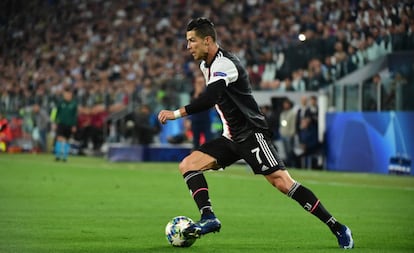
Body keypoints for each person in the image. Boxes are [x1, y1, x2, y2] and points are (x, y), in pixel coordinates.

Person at [157, 17, 354, 249]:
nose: (188, 46)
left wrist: (176, 113)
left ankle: (338, 227)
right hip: (231, 137)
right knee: (188, 165)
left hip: (252, 134)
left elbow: (210, 99)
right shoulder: (205, 65)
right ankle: (209, 217)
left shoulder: (225, 65)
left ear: (207, 41)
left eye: (192, 41)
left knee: (283, 183)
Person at [51, 87, 78, 161]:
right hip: (61, 123)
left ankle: (65, 157)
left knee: (67, 140)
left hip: (69, 125)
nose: (67, 96)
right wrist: (53, 122)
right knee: (59, 138)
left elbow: (75, 116)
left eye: (69, 94)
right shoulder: (60, 103)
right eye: (66, 94)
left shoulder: (74, 104)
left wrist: (74, 125)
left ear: (71, 95)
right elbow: (54, 112)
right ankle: (58, 155)